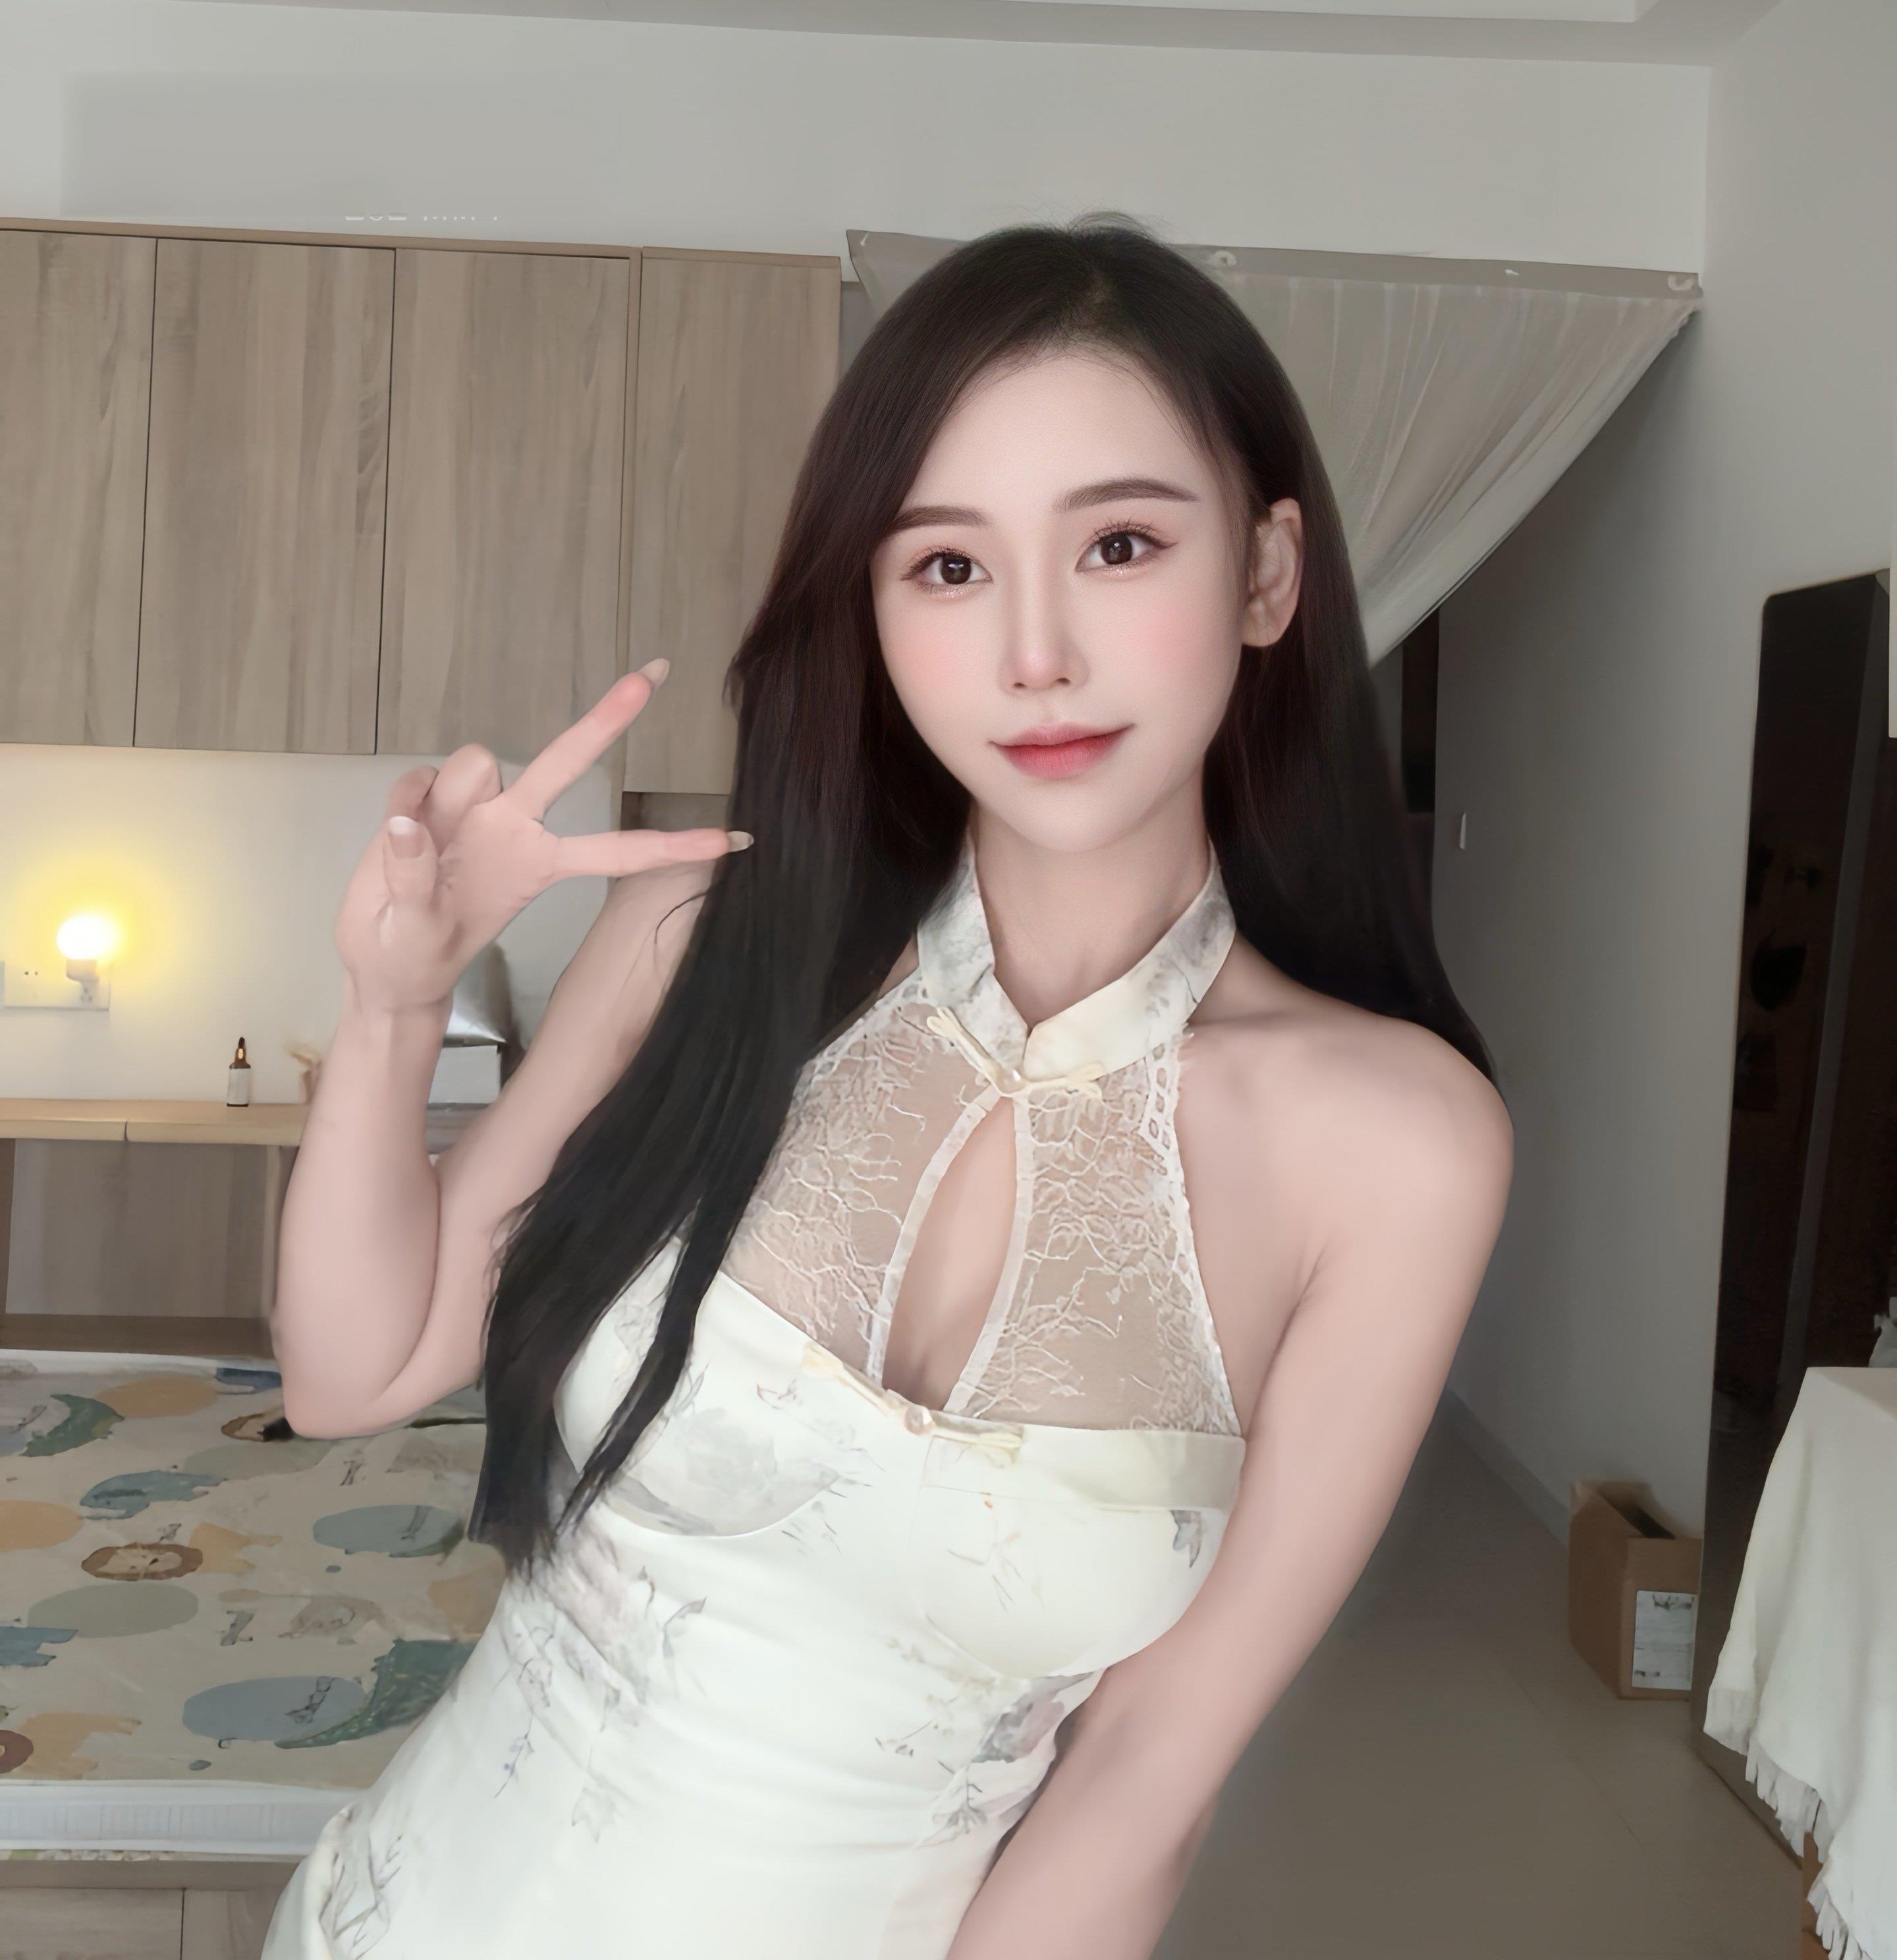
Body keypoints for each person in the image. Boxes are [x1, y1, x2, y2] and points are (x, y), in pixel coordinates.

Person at [260, 213, 1513, 1960]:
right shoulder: (701, 940)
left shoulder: (1398, 1148)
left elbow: (1148, 1775)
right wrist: (393, 1011)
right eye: (947, 567)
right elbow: (350, 1372)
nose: (1034, 654)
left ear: (1265, 574)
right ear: (873, 604)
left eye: (1121, 545)